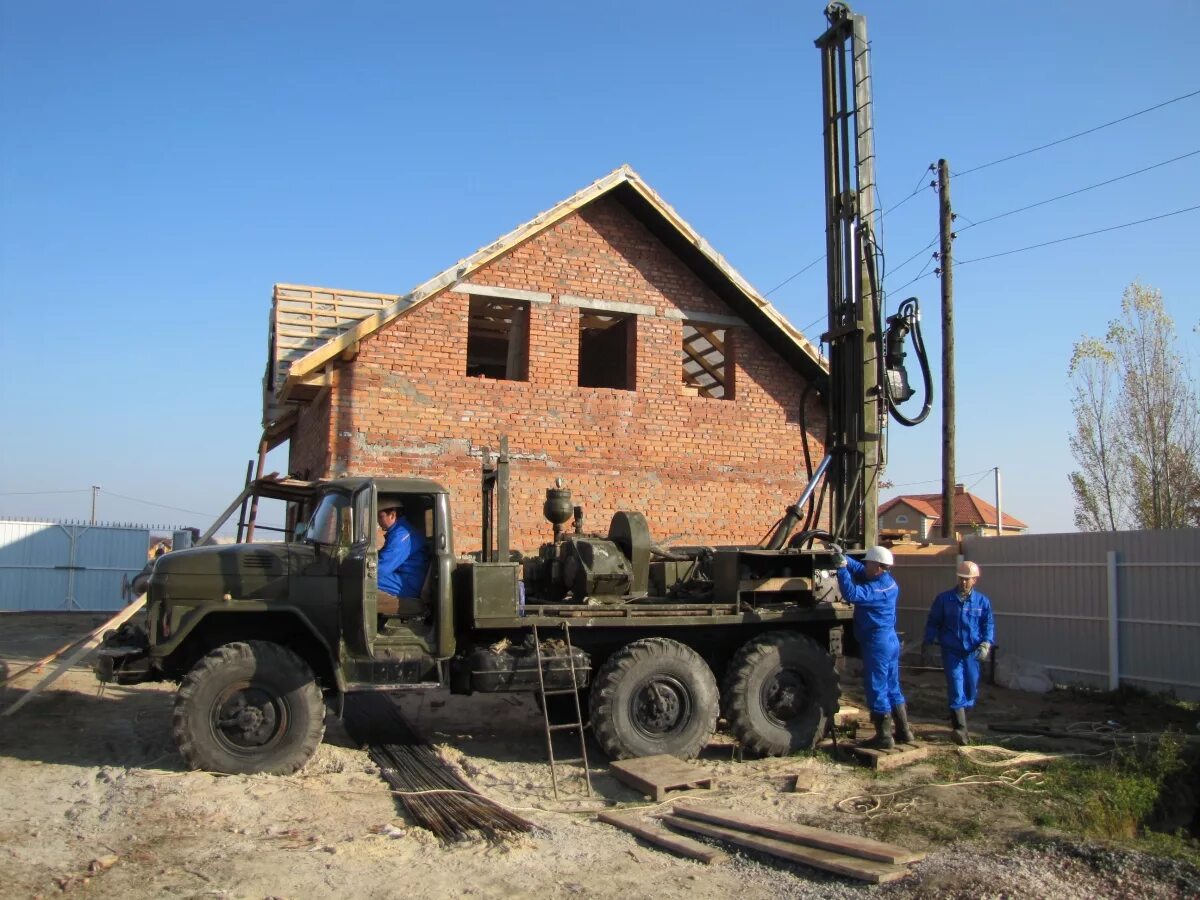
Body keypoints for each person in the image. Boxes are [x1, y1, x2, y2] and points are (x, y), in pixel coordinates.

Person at [833, 545, 915, 749]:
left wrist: (842, 570)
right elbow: (861, 570)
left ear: (878, 567)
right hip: (889, 640)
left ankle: (884, 737)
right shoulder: (886, 581)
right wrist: (843, 557)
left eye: (869, 563)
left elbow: (851, 593)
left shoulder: (876, 590)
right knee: (892, 686)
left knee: (877, 688)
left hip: (877, 643)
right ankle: (904, 731)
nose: (865, 565)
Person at [923, 560, 994, 745]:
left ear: (974, 580)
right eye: (961, 579)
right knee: (956, 686)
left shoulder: (982, 602)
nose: (963, 582)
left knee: (970, 687)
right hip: (952, 651)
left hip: (971, 652)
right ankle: (960, 729)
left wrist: (986, 643)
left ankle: (963, 712)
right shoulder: (944, 600)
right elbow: (933, 621)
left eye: (967, 579)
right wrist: (928, 641)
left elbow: (988, 624)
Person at [377, 503, 430, 614]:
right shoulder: (399, 531)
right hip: (404, 577)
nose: (378, 521)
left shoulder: (401, 534)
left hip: (409, 583)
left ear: (392, 515)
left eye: (380, 516)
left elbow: (382, 568)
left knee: (366, 579)